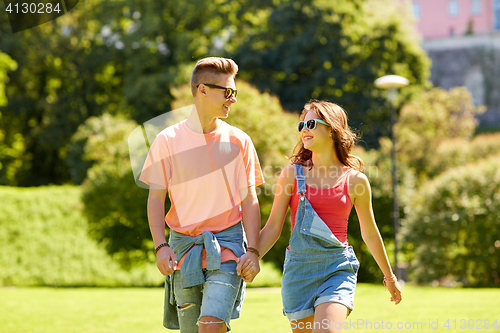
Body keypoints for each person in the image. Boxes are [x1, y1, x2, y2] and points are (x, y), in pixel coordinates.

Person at [238, 100, 402, 332]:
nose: (304, 129)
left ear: (332, 129)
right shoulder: (290, 176)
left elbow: (369, 231)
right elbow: (273, 227)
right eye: (302, 124)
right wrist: (253, 255)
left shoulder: (356, 181)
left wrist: (390, 277)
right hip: (299, 272)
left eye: (312, 123)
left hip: (337, 268)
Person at [140, 57, 264, 333]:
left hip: (228, 248)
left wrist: (253, 251)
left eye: (235, 93)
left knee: (210, 325)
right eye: (227, 92)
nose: (232, 100)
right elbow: (155, 200)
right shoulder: (167, 141)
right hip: (183, 250)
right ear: (202, 90)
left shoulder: (239, 141)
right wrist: (161, 246)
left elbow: (250, 202)